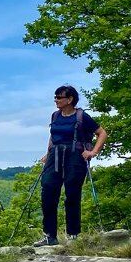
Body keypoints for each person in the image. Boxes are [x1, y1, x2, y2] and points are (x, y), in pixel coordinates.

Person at [35, 85, 108, 246]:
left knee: (72, 194)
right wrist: (48, 153)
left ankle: (73, 235)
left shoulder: (82, 116)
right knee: (48, 191)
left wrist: (93, 152)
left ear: (70, 99)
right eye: (55, 97)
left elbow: (102, 133)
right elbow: (53, 136)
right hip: (55, 156)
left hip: (75, 157)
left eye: (59, 97)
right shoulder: (55, 116)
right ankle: (50, 236)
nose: (56, 100)